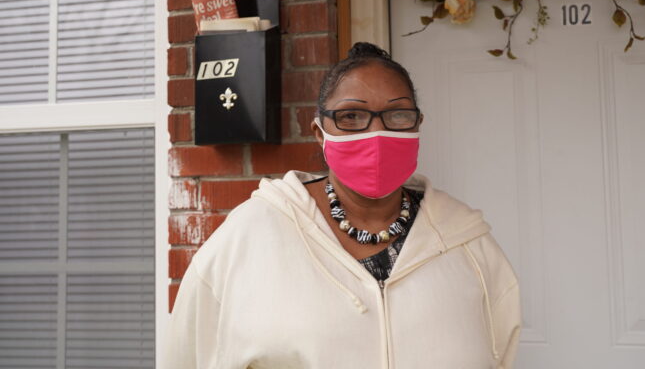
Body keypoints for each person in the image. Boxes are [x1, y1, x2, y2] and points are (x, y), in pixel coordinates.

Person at [165, 42, 521, 368]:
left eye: (397, 115)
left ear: (417, 125)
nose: (376, 132)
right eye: (351, 117)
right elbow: (187, 356)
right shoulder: (248, 237)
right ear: (319, 133)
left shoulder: (468, 244)